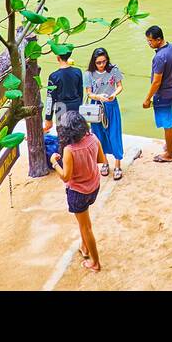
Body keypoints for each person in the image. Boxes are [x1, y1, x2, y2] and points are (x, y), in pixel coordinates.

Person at [49, 112, 105, 272]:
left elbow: (66, 177)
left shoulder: (69, 150)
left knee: (85, 227)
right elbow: (101, 160)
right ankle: (84, 247)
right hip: (94, 187)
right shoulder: (93, 138)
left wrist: (54, 163)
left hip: (78, 193)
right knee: (85, 222)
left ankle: (95, 262)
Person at [142, 26, 172, 162]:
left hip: (164, 93)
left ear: (159, 40)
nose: (149, 44)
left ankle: (169, 154)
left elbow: (157, 82)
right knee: (169, 117)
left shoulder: (159, 57)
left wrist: (147, 99)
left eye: (150, 41)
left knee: (167, 123)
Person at [86, 48, 125, 180]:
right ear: (94, 62)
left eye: (104, 61)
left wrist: (113, 94)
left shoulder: (114, 70)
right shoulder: (89, 74)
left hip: (111, 105)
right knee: (99, 135)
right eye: (98, 63)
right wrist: (98, 97)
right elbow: (89, 93)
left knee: (114, 134)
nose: (102, 65)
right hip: (96, 107)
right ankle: (105, 163)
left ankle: (118, 164)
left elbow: (119, 86)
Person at [44, 48, 84, 133]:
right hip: (76, 107)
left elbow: (50, 99)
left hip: (61, 108)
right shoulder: (78, 72)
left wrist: (48, 118)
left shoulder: (54, 76)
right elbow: (81, 93)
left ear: (58, 57)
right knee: (77, 134)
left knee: (63, 136)